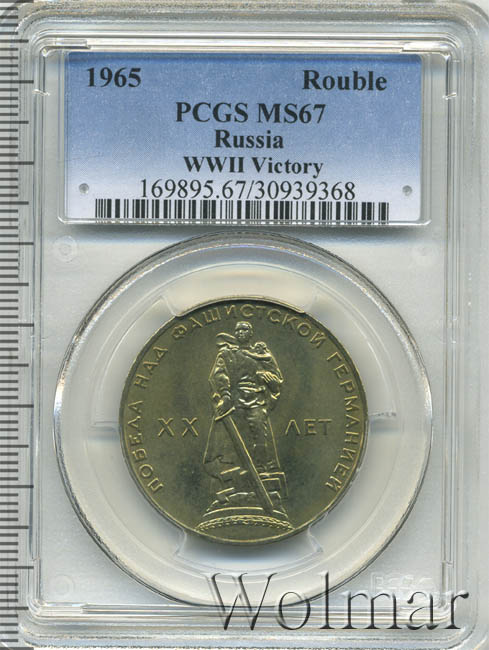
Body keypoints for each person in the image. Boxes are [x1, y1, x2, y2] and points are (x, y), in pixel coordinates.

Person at [200, 321, 290, 526]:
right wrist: (225, 394)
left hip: (257, 401)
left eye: (245, 330)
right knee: (232, 444)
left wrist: (269, 379)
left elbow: (277, 380)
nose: (241, 333)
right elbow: (218, 375)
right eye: (238, 330)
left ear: (251, 333)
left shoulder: (262, 354)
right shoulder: (227, 354)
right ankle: (233, 481)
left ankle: (261, 474)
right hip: (234, 402)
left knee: (260, 438)